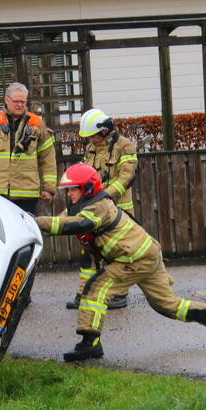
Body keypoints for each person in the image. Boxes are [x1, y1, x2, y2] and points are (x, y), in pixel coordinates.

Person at [34, 163, 206, 362]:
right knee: (168, 306)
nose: (69, 194)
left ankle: (90, 344)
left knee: (96, 288)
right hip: (146, 255)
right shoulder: (81, 206)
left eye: (73, 190)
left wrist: (36, 222)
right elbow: (59, 222)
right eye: (68, 190)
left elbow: (78, 224)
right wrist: (32, 223)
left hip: (133, 260)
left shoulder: (99, 207)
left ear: (87, 188)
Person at [67, 108, 139, 311]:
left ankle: (119, 295)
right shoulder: (91, 148)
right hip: (95, 210)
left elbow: (126, 177)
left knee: (117, 255)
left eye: (92, 135)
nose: (90, 139)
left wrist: (103, 198)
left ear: (104, 130)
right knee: (89, 252)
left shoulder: (125, 146)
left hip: (119, 211)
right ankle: (84, 293)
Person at [0, 82, 57, 214]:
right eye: (16, 101)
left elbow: (48, 159)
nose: (20, 105)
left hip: (27, 196)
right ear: (6, 100)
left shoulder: (36, 123)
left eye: (23, 102)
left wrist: (49, 188)